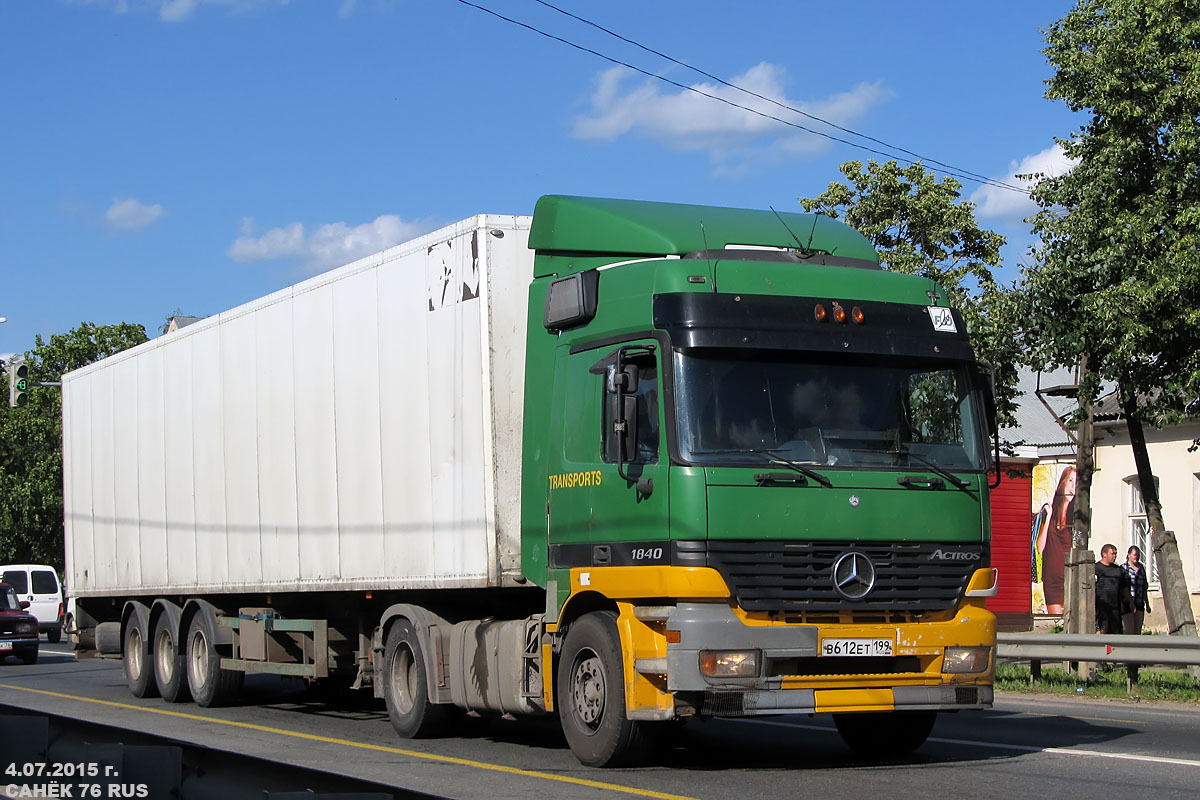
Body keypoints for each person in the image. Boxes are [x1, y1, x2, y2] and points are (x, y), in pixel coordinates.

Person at [1033, 465, 1076, 615]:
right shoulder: (1048, 514)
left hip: (1070, 579)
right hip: (1052, 579)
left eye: (1076, 483)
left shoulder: (1076, 517)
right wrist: (1049, 515)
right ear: (1063, 482)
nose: (1073, 487)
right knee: (1056, 621)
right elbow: (1039, 547)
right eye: (1070, 481)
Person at [1094, 543, 1131, 635]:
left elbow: (1124, 587)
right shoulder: (1096, 568)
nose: (1114, 556)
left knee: (1116, 632)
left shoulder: (1118, 570)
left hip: (1115, 606)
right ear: (1104, 554)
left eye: (1115, 554)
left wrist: (1130, 601)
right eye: (1112, 554)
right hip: (1101, 606)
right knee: (1103, 630)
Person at [1121, 545, 1151, 634]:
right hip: (1127, 605)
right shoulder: (1123, 568)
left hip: (1140, 604)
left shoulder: (1141, 568)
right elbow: (1123, 588)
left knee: (1137, 631)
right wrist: (1129, 602)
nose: (1136, 557)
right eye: (1135, 555)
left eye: (1138, 555)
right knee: (1129, 630)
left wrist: (1147, 604)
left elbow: (1144, 587)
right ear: (1129, 555)